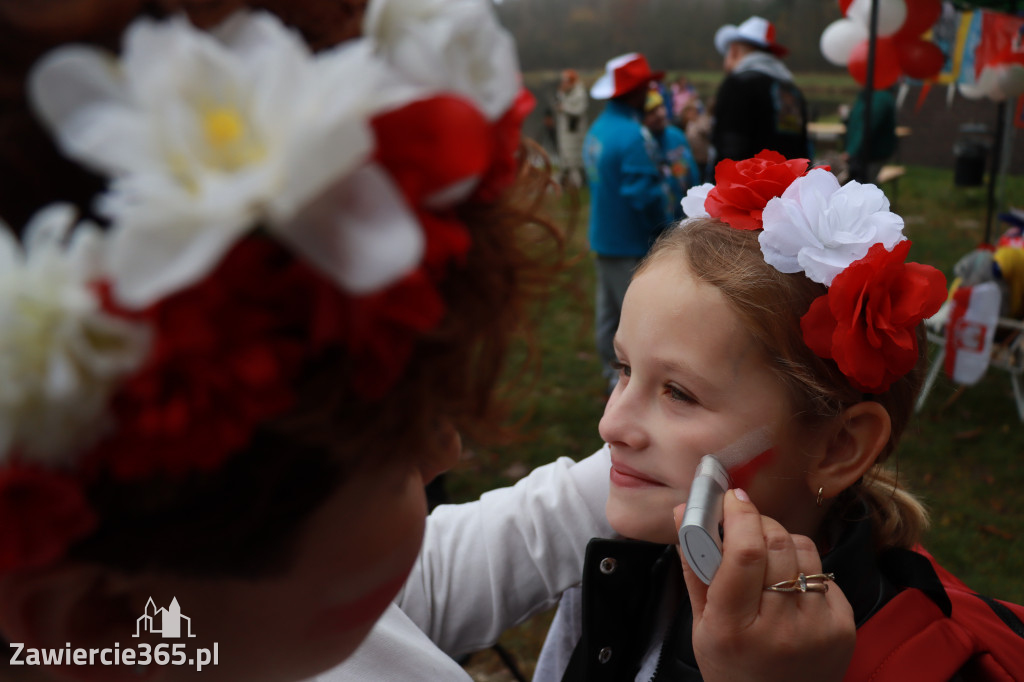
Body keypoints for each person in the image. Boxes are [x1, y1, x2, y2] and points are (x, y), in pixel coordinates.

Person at [0, 1, 621, 680]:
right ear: (101, 624)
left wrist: (614, 484)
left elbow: (401, 602)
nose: (447, 449)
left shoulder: (236, 628)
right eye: (384, 459)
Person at [534, 151, 1024, 681]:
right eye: (625, 369)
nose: (610, 426)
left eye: (678, 392)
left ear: (839, 448)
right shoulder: (625, 565)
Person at [583, 52, 674, 392]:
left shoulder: (599, 129)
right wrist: (666, 230)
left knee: (608, 312)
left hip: (604, 237)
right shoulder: (634, 136)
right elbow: (643, 196)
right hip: (630, 241)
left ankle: (611, 374)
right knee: (637, 319)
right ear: (632, 92)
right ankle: (634, 384)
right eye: (645, 85)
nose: (651, 90)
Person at [709, 16, 808, 178]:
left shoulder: (737, 84)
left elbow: (729, 148)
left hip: (747, 192)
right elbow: (801, 147)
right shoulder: (791, 90)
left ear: (734, 51)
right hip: (790, 188)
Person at [643, 88, 699, 221]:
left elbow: (693, 174)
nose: (661, 114)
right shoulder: (641, 144)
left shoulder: (677, 136)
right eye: (652, 111)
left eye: (661, 106)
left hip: (685, 215)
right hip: (657, 222)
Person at [843, 87, 899, 185]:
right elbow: (859, 121)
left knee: (866, 186)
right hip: (863, 154)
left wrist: (851, 151)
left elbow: (867, 126)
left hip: (872, 155)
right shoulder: (867, 95)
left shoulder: (880, 98)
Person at [555, 68, 588, 191]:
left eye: (566, 81)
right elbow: (561, 103)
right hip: (565, 133)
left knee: (575, 159)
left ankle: (578, 183)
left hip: (575, 133)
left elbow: (579, 110)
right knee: (565, 157)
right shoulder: (565, 92)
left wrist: (564, 108)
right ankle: (565, 182)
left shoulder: (579, 93)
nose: (563, 84)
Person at [681, 101, 713, 185]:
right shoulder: (684, 125)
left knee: (702, 177)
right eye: (690, 112)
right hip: (691, 158)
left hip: (702, 157)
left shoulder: (700, 121)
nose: (693, 114)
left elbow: (707, 131)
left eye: (694, 111)